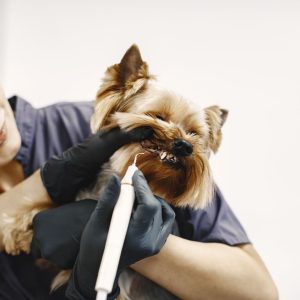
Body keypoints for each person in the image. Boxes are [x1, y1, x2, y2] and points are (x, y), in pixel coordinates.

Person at [0, 87, 278, 300]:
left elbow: (258, 290)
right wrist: (40, 186)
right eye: (158, 119)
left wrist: (134, 240)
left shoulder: (84, 125)